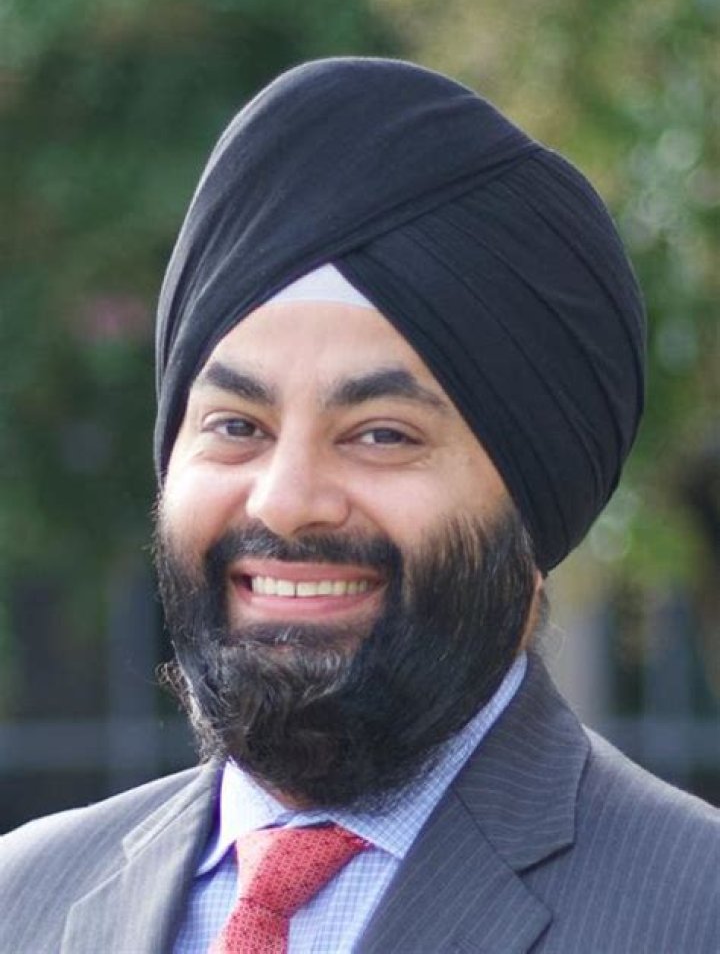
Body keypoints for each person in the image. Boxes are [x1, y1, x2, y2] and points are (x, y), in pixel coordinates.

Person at [0, 57, 717, 954]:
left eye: (381, 434)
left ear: (533, 501)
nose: (286, 502)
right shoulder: (21, 901)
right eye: (236, 426)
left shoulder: (695, 913)